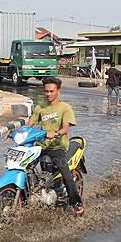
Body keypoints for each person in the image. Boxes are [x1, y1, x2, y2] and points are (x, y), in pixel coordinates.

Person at [26, 77, 84, 215]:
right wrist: (17, 132)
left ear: (58, 91)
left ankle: (76, 202)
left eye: (52, 91)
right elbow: (30, 124)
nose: (48, 94)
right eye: (46, 91)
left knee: (65, 170)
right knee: (25, 166)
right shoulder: (40, 107)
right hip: (41, 146)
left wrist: (55, 133)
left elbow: (65, 128)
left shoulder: (65, 108)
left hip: (57, 147)